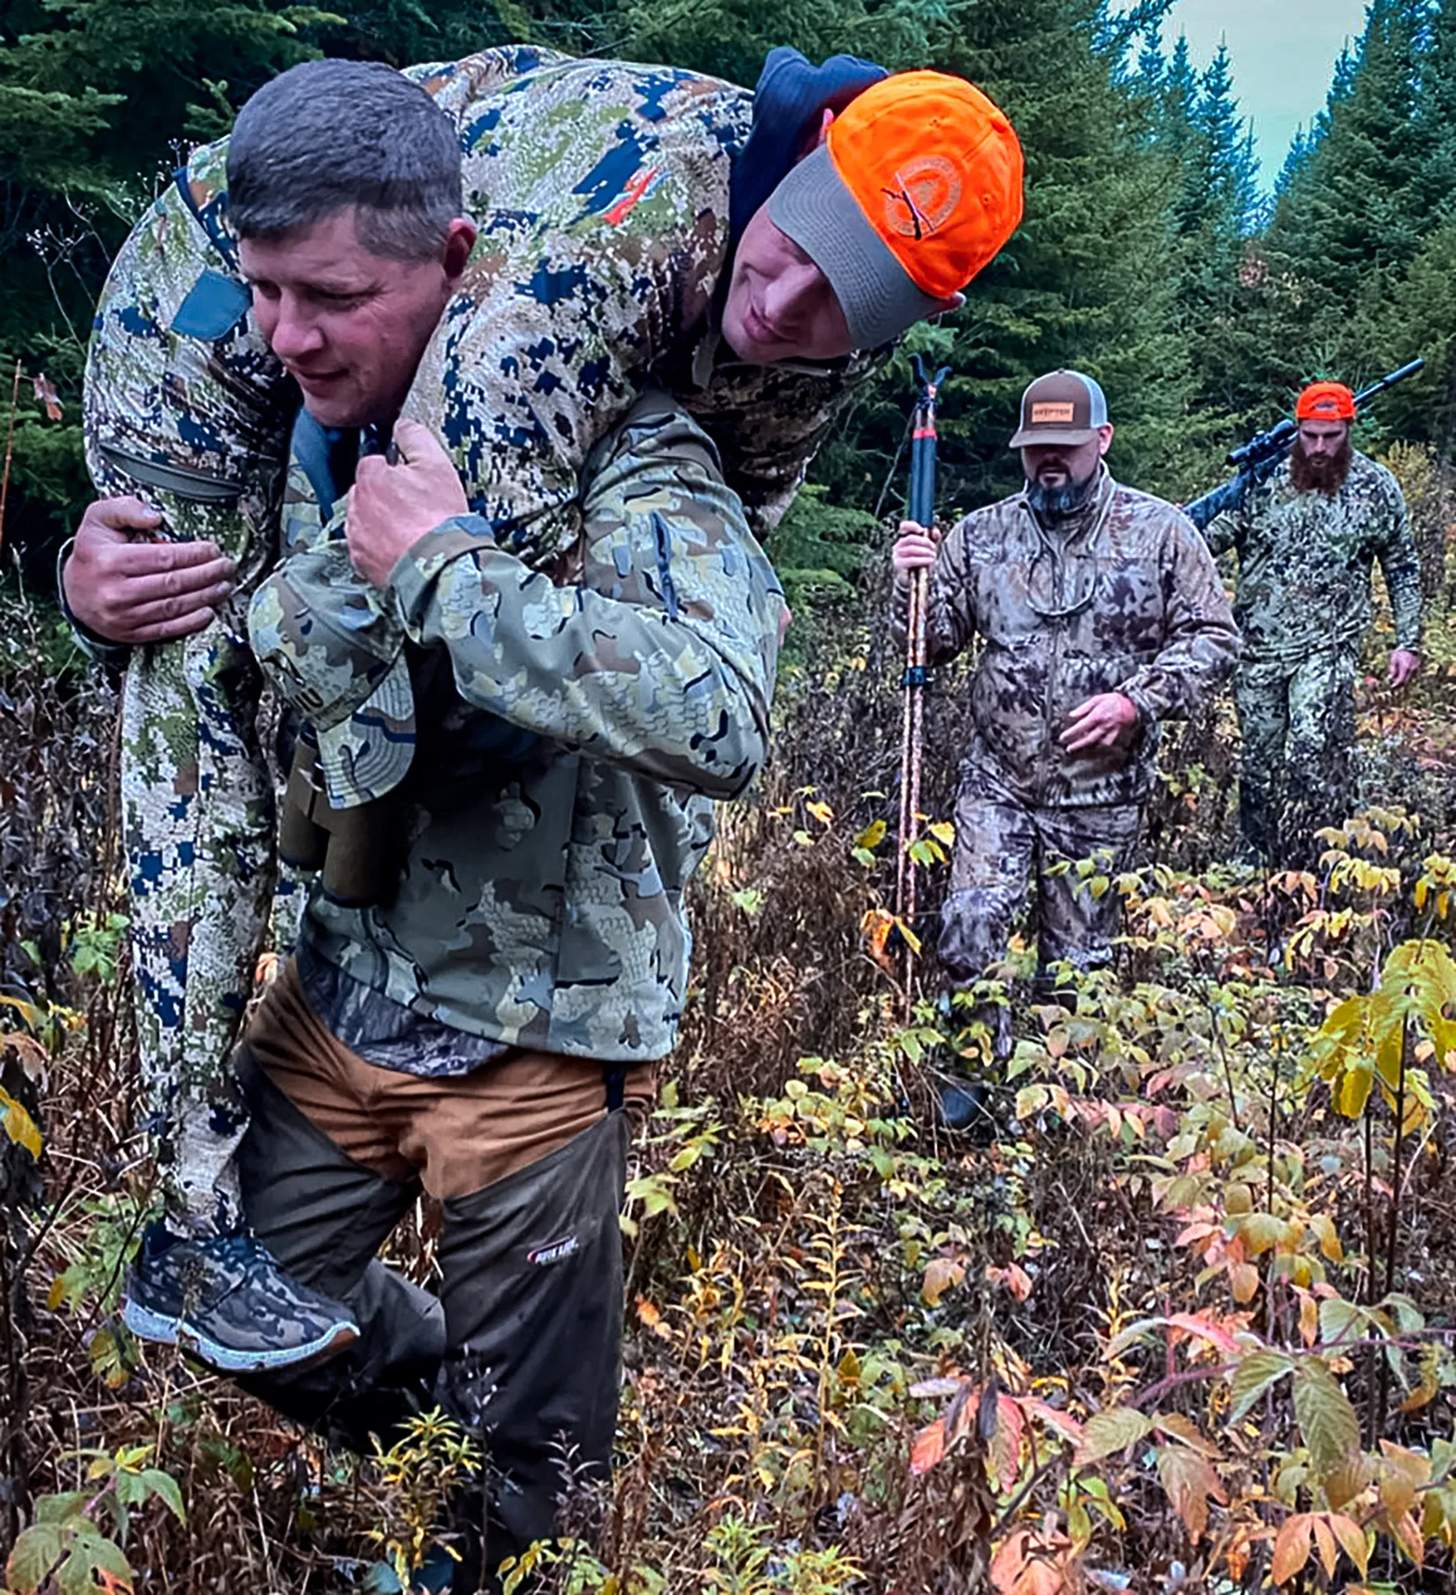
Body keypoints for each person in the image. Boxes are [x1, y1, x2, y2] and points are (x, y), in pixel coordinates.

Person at [67, 40, 1022, 1485]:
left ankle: (483, 1498)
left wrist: (448, 574)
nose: (287, 336)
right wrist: (101, 596)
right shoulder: (291, 428)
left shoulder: (641, 448)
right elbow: (219, 686)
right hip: (346, 987)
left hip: (536, 1021)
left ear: (462, 260)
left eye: (333, 300)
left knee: (539, 1475)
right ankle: (436, 1426)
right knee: (223, 1297)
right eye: (270, 297)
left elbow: (721, 706)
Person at [892, 370, 1239, 1096]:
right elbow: (929, 643)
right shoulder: (981, 536)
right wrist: (910, 582)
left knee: (1079, 969)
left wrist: (1136, 702)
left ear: (1101, 440)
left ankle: (1062, 1118)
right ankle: (966, 1101)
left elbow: (1214, 638)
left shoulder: (1159, 532)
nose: (1050, 460)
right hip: (1000, 783)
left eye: (1066, 446)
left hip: (1101, 794)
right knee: (968, 928)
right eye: (1036, 447)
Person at [1203, 380, 1422, 862]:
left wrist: (1408, 640)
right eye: (1310, 435)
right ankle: (1255, 862)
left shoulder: (1375, 487)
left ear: (1348, 429)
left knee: (1312, 749)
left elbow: (1402, 566)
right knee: (1260, 763)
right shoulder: (1259, 483)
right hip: (1257, 649)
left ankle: (1325, 861)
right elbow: (1203, 544)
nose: (1320, 447)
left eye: (1331, 436)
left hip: (1330, 645)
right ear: (1297, 430)